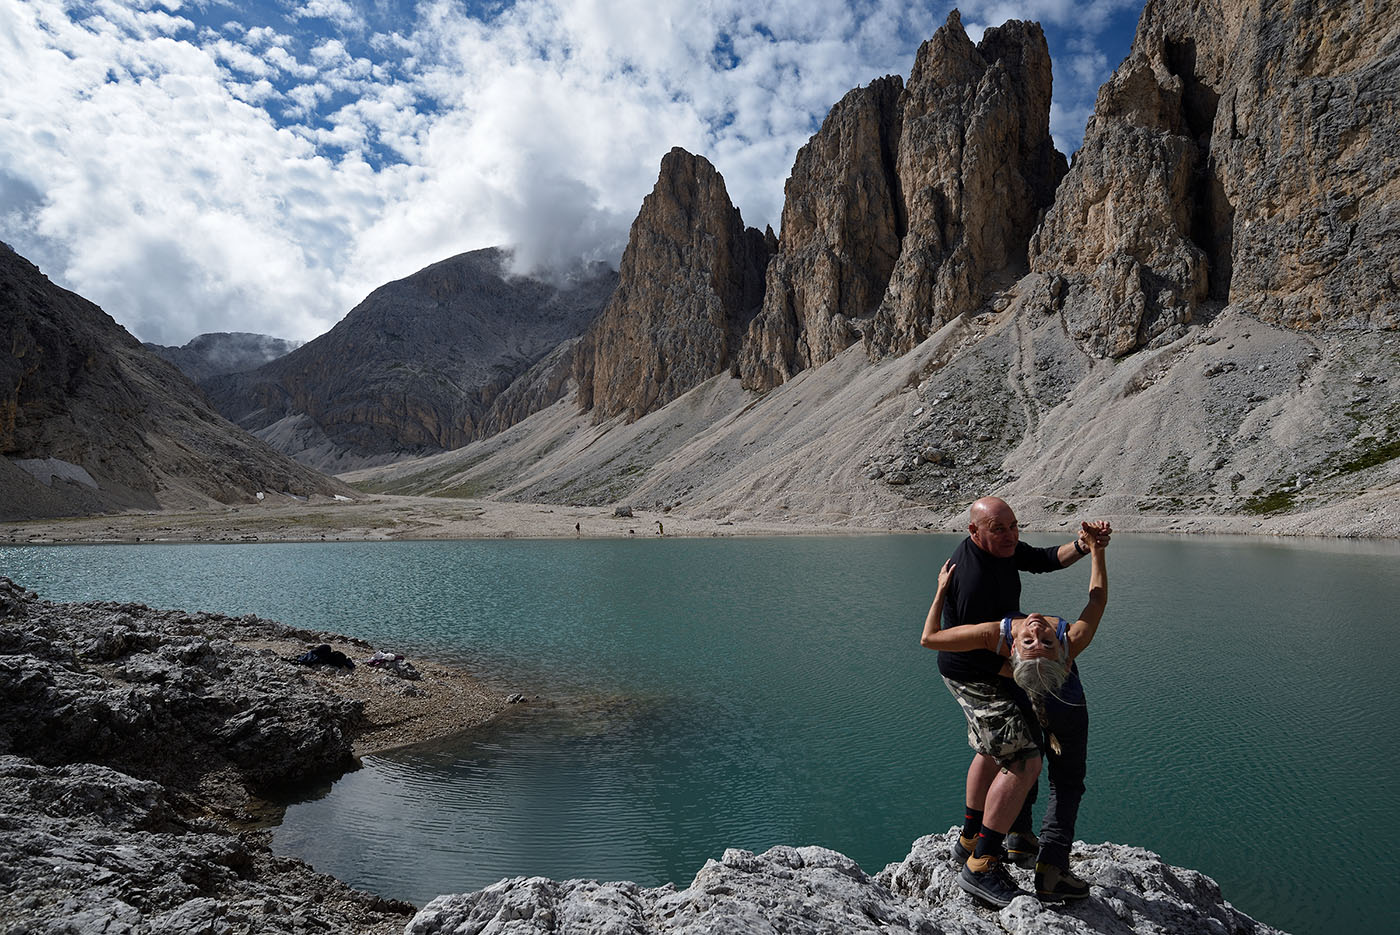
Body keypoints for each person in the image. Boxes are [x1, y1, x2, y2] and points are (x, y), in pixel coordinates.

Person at [919, 496, 1106, 906]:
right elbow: (968, 646)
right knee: (1022, 756)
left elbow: (1041, 558)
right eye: (999, 530)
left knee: (995, 748)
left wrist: (1083, 545)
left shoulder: (1001, 545)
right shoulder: (973, 580)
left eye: (1014, 526)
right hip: (975, 672)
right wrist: (1026, 672)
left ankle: (982, 837)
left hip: (1005, 658)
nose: (1010, 536)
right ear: (975, 532)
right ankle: (981, 864)